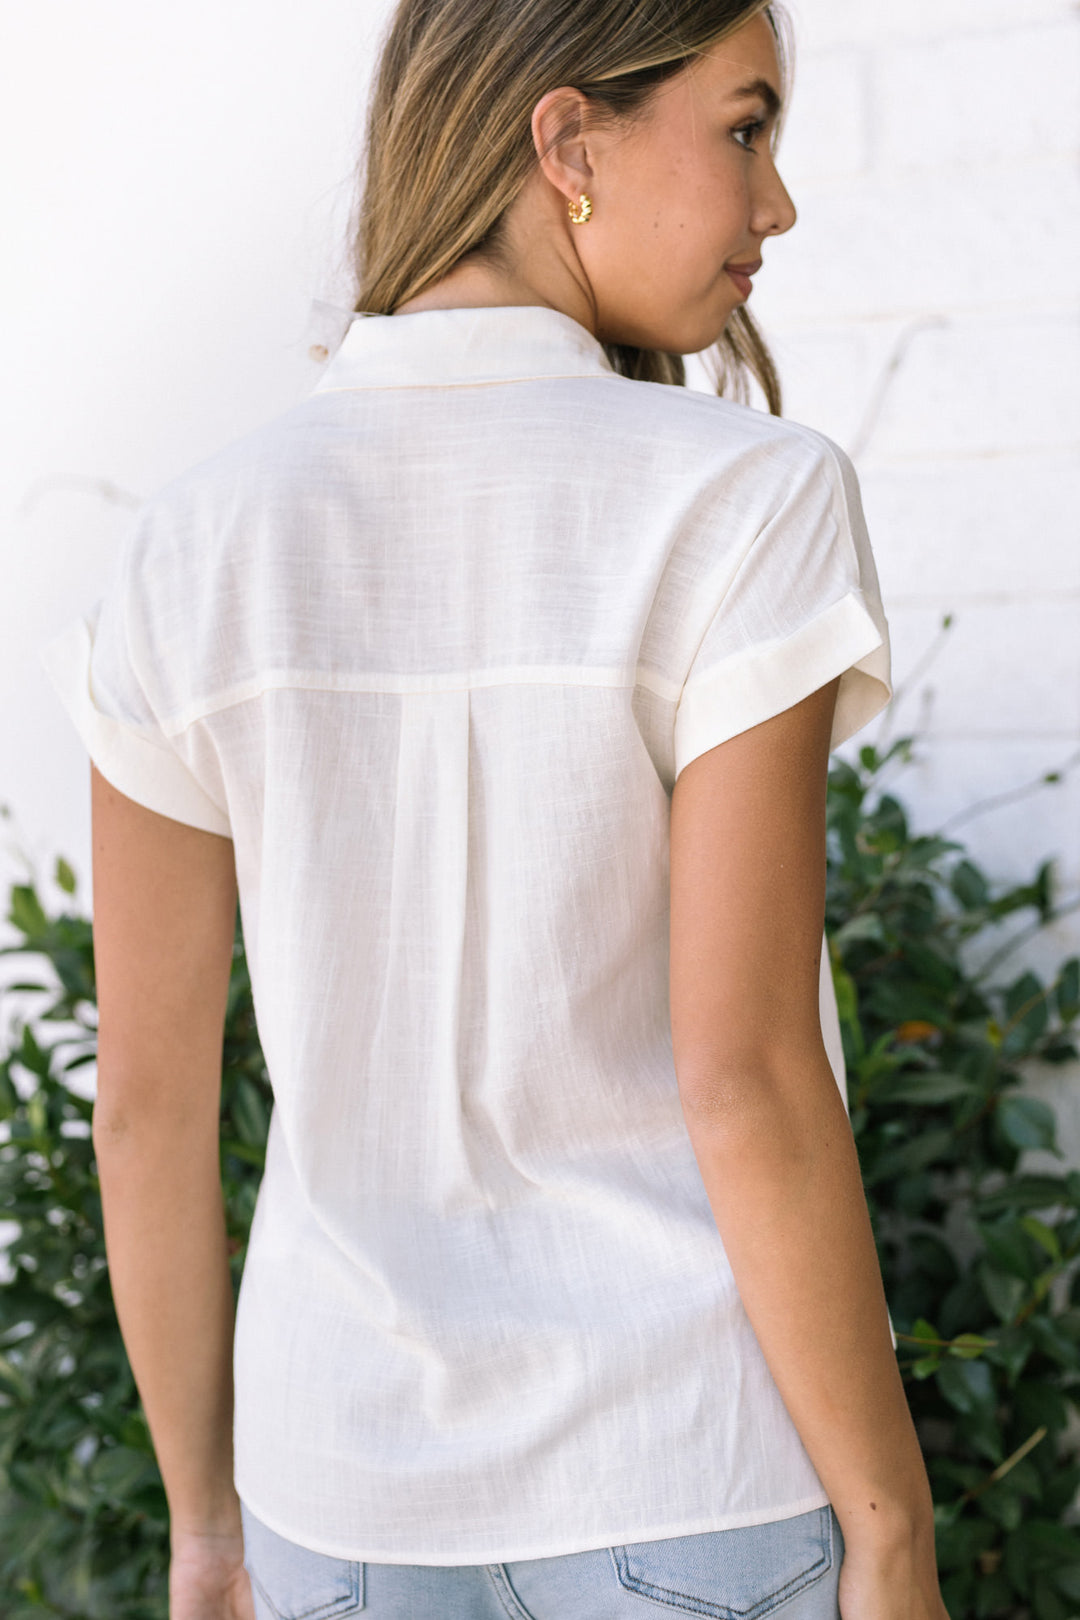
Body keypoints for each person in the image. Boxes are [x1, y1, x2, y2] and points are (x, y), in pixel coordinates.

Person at [38, 0, 953, 1616]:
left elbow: (150, 1110)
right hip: (685, 1473)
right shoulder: (743, 501)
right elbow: (742, 1074)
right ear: (564, 141)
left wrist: (204, 1522)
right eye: (744, 128)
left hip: (337, 1497)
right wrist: (889, 1522)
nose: (777, 204)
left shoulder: (188, 551)